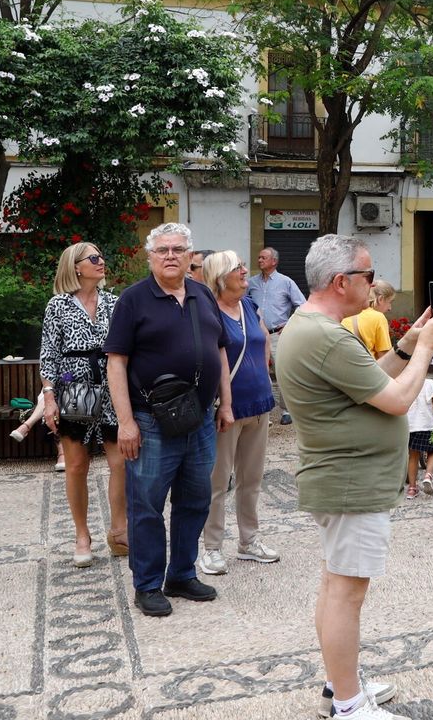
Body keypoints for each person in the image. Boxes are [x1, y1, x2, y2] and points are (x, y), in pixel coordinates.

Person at [278, 234, 433, 720]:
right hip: (350, 480)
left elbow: (370, 382)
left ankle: (340, 687)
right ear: (341, 282)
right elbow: (398, 399)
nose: (374, 285)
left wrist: (402, 347)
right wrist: (426, 352)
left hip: (343, 476)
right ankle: (350, 710)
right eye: (368, 276)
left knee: (337, 584)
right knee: (347, 593)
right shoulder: (327, 335)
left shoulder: (314, 328)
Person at [106, 222, 235, 618]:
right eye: (162, 250)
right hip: (150, 421)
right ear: (150, 256)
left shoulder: (201, 295)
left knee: (194, 500)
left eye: (178, 249)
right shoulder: (133, 300)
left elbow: (220, 351)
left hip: (199, 419)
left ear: (191, 256)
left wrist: (226, 404)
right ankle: (147, 584)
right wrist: (125, 422)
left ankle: (180, 574)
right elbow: (116, 362)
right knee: (146, 505)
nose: (170, 256)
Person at [39, 242, 125, 567]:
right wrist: (49, 397)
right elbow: (48, 355)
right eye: (93, 258)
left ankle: (119, 531)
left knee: (121, 462)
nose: (101, 261)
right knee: (77, 465)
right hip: (74, 386)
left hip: (113, 386)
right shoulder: (58, 305)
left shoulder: (114, 303)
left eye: (102, 256)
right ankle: (81, 535)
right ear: (76, 266)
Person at [198, 250, 280, 576]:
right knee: (218, 482)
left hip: (259, 404)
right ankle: (212, 549)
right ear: (220, 278)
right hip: (226, 411)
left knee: (252, 479)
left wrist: (264, 373)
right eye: (238, 268)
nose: (246, 271)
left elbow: (263, 340)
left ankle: (249, 541)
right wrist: (224, 402)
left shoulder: (248, 305)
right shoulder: (209, 313)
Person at [249, 246, 306, 425]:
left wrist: (289, 323)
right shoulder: (251, 283)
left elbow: (303, 305)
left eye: (263, 258)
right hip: (256, 335)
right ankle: (264, 409)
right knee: (258, 372)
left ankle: (286, 410)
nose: (259, 260)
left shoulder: (286, 282)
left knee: (282, 371)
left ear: (274, 261)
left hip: (277, 335)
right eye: (259, 258)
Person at [404, 378, 433, 499]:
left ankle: (412, 489)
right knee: (432, 452)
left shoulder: (406, 383)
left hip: (411, 426)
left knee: (413, 456)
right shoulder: (430, 384)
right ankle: (428, 476)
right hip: (427, 426)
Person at [342, 280, 396, 360]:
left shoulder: (347, 313)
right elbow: (384, 357)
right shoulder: (378, 317)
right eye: (390, 302)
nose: (390, 308)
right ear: (380, 299)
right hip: (364, 368)